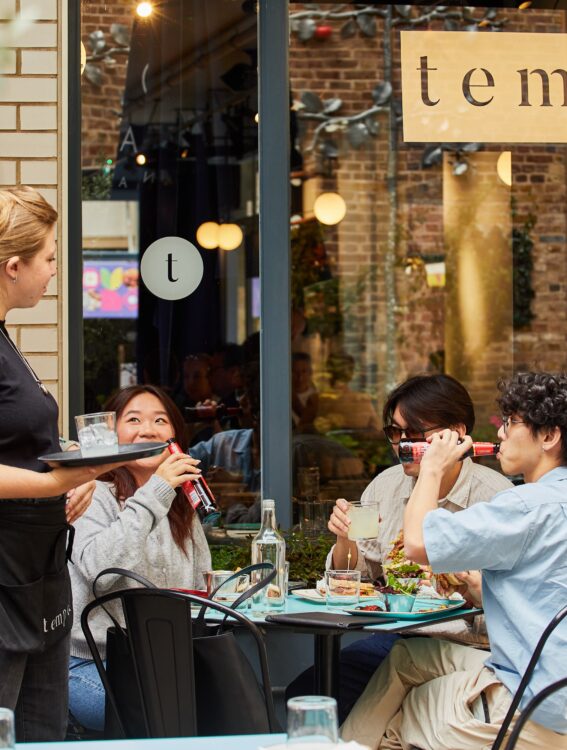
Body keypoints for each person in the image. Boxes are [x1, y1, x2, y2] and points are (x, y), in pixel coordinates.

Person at [341, 371, 567, 750]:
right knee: (406, 658)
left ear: (548, 436)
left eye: (510, 423)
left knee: (401, 714)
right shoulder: (544, 501)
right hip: (543, 672)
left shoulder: (522, 506)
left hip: (537, 698)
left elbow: (417, 544)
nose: (499, 434)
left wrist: (432, 467)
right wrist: (480, 589)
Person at [287, 374, 512, 720]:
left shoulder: (495, 498)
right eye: (395, 433)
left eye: (416, 434)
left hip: (468, 646)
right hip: (398, 637)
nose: (403, 445)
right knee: (311, 691)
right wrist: (344, 538)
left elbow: (511, 609)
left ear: (457, 433)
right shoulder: (385, 486)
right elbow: (354, 579)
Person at [0, 186, 119, 741]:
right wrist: (55, 481)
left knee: (44, 734)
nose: (54, 271)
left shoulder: (7, 339)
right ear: (12, 265)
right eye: (49, 258)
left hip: (38, 576)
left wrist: (71, 469)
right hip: (6, 585)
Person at [68, 384, 211, 732]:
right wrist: (157, 491)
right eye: (133, 419)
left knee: (229, 704)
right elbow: (99, 571)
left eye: (159, 420)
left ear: (173, 437)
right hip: (91, 664)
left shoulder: (181, 507)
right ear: (112, 433)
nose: (147, 429)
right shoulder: (93, 494)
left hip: (162, 662)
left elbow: (200, 587)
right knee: (157, 718)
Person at [292, 352, 319, 432]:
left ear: (310, 372)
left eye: (304, 371)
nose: (300, 377)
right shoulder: (283, 396)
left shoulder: (316, 398)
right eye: (295, 372)